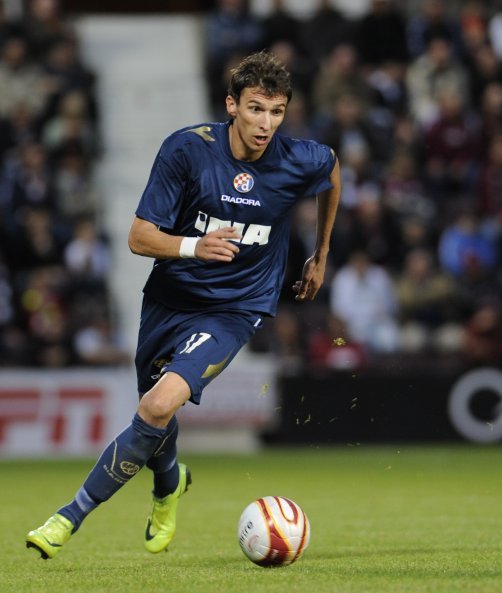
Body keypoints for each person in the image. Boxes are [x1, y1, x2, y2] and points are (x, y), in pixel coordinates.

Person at [26, 51, 342, 559]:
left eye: (277, 111)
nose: (266, 124)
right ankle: (169, 483)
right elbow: (138, 236)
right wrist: (195, 245)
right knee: (156, 419)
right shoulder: (187, 151)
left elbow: (332, 169)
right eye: (257, 109)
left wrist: (321, 254)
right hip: (170, 301)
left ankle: (68, 517)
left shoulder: (298, 159)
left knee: (154, 405)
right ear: (231, 105)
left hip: (235, 309)